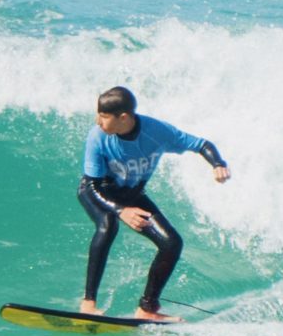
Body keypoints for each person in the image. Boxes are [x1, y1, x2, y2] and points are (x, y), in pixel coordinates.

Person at [77, 85, 230, 321]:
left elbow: (201, 144)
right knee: (108, 224)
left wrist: (218, 164)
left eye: (104, 116)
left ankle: (147, 309)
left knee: (172, 243)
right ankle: (88, 304)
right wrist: (121, 211)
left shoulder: (156, 131)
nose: (98, 121)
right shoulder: (98, 137)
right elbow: (92, 186)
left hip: (130, 194)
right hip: (99, 192)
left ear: (124, 117)